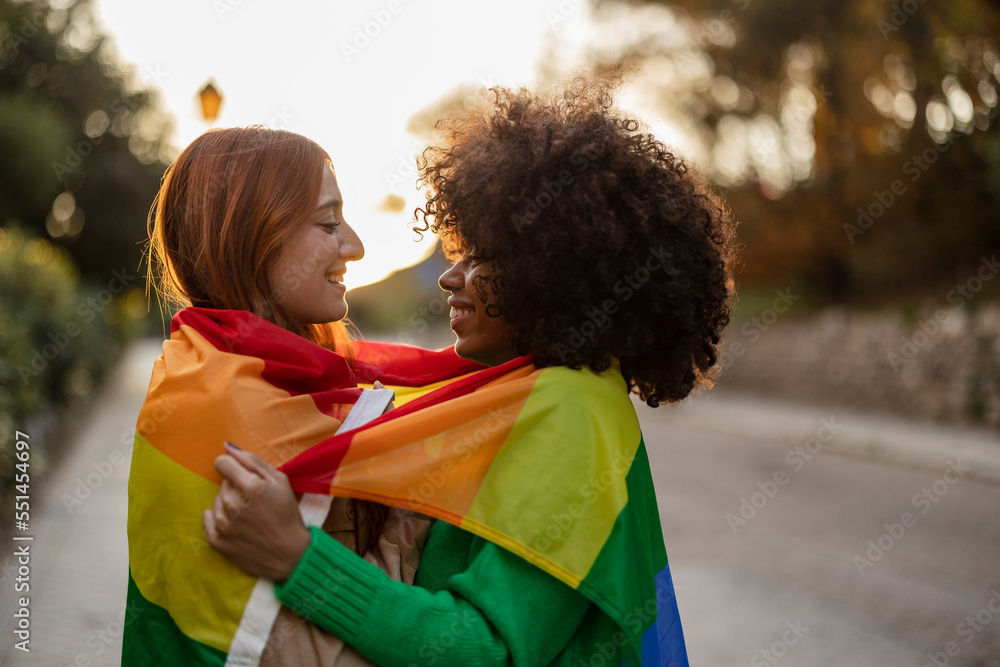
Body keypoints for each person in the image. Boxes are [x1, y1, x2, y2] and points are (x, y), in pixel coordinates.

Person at [204, 74, 737, 666]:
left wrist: (297, 560)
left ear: (555, 271)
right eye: (459, 251)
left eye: (482, 258)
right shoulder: (534, 391)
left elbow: (488, 652)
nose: (450, 278)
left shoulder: (572, 410)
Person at [125, 126, 475, 666]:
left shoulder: (234, 370)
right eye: (328, 223)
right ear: (251, 236)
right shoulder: (219, 406)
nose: (355, 246)